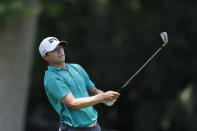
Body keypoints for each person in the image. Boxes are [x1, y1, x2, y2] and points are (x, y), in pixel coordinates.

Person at [39, 37, 120, 131]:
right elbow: (73, 103)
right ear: (46, 57)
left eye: (60, 47)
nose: (59, 51)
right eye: (54, 50)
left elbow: (93, 90)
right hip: (73, 128)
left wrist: (107, 100)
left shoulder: (77, 68)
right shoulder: (52, 78)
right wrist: (103, 97)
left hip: (95, 126)